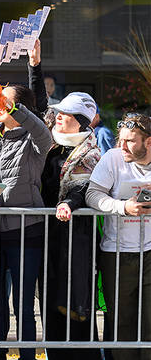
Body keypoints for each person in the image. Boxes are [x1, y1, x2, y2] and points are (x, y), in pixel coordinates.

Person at [0, 85, 52, 360]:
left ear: (21, 107)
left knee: (23, 304)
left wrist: (14, 108)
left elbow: (44, 132)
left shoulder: (34, 139)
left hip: (25, 231)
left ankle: (28, 356)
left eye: (4, 101)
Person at [40, 92, 102, 360]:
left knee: (75, 303)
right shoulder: (49, 144)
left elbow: (83, 188)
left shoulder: (91, 152)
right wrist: (35, 66)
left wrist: (68, 203)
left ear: (80, 121)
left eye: (65, 113)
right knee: (49, 302)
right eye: (59, 112)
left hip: (75, 238)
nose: (58, 117)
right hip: (47, 235)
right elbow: (38, 107)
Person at [86, 112, 151, 360]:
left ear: (149, 142)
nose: (121, 146)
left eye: (130, 141)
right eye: (120, 139)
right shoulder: (112, 158)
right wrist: (123, 207)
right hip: (118, 252)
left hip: (150, 252)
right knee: (121, 322)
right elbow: (93, 195)